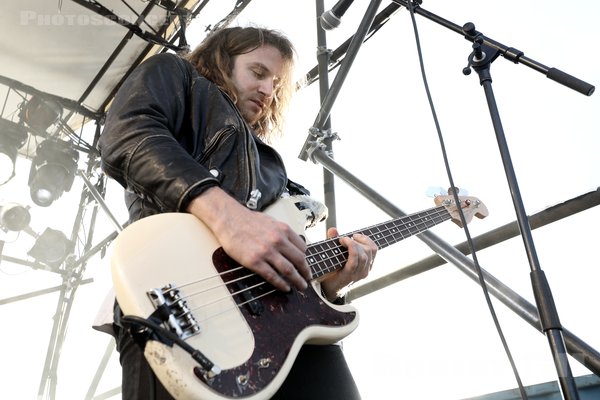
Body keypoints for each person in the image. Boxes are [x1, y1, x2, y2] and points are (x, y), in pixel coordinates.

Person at [98, 26, 377, 400]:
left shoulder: (273, 169)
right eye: (258, 73)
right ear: (220, 62)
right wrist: (230, 219)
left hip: (283, 327)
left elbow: (279, 254)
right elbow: (128, 135)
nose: (268, 90)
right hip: (178, 307)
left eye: (276, 84)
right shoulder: (177, 75)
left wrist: (329, 286)